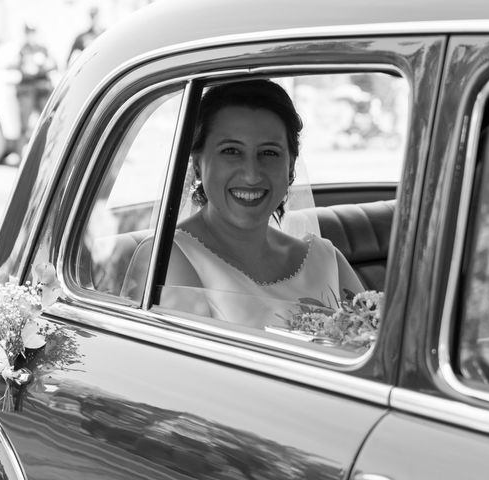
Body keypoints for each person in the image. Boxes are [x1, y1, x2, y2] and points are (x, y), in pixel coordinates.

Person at [123, 79, 363, 328]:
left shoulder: (325, 259)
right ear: (197, 164)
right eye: (231, 151)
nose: (251, 175)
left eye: (269, 153)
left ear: (290, 166)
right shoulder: (169, 257)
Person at [16, 23, 56, 151]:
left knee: (47, 120)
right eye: (28, 33)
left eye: (32, 33)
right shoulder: (22, 50)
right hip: (28, 89)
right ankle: (21, 152)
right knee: (25, 123)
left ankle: (48, 148)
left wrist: (42, 67)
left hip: (42, 89)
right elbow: (24, 69)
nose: (31, 36)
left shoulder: (43, 49)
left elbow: (53, 64)